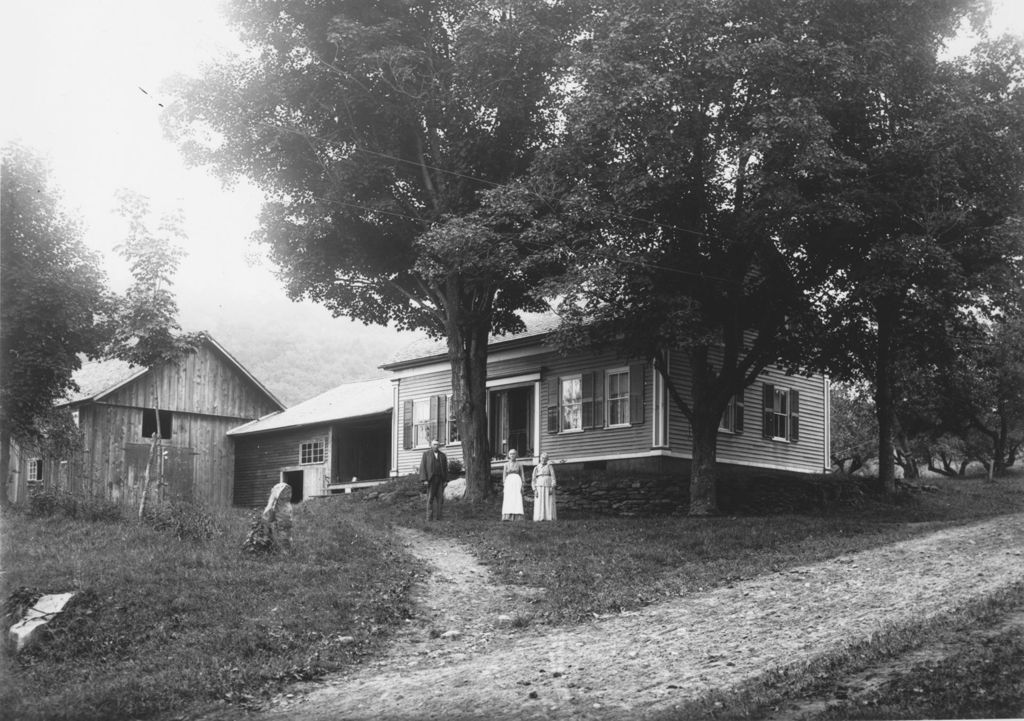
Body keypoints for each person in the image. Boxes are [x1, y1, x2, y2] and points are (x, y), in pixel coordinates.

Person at [419, 439, 448, 521]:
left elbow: (445, 469)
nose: (436, 446)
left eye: (437, 444)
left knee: (440, 499)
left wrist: (445, 480)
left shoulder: (442, 455)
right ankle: (429, 518)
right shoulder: (426, 454)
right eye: (434, 444)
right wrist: (424, 479)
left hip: (440, 479)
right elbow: (423, 467)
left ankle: (439, 517)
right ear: (431, 445)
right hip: (431, 479)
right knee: (430, 499)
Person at [262, 480, 294, 550]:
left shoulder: (283, 503)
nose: (287, 494)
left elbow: (269, 508)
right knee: (285, 535)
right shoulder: (286, 504)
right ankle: (287, 550)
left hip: (283, 521)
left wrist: (266, 516)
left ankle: (286, 551)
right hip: (284, 521)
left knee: (284, 535)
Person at [531, 452, 557, 522]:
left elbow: (553, 477)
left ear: (547, 459)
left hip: (548, 485)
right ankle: (539, 517)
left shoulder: (550, 466)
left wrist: (552, 487)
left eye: (546, 458)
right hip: (539, 486)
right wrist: (534, 489)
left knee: (548, 501)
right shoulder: (536, 467)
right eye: (542, 458)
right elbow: (533, 479)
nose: (544, 459)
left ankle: (548, 517)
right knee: (539, 501)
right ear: (540, 458)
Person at [501, 448, 525, 521]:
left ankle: (517, 516)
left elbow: (522, 475)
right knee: (509, 498)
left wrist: (523, 484)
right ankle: (507, 516)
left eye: (514, 454)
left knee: (517, 497)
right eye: (511, 454)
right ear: (508, 455)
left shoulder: (520, 464)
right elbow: (504, 475)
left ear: (516, 455)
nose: (512, 455)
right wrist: (504, 484)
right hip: (509, 482)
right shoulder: (506, 464)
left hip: (517, 481)